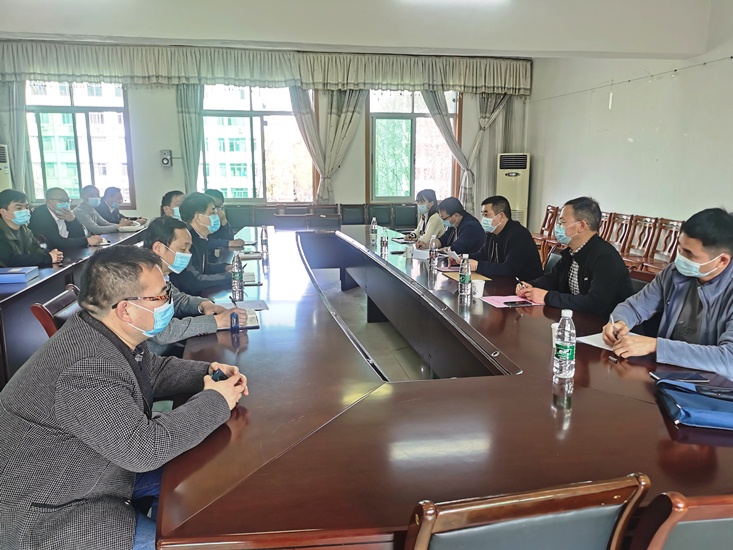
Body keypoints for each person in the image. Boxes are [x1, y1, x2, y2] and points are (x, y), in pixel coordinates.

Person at [0, 245, 248, 550]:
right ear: (126, 309)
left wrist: (207, 372)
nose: (169, 301)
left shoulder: (106, 331)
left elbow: (152, 370)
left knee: (210, 474)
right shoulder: (86, 370)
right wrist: (216, 400)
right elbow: (144, 450)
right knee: (194, 542)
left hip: (95, 466)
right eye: (160, 296)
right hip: (53, 512)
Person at [603, 208, 733, 377]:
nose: (679, 257)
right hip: (667, 374)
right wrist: (620, 321)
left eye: (689, 254)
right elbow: (635, 306)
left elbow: (728, 359)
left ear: (722, 260)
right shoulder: (673, 273)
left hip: (714, 385)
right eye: (680, 248)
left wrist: (656, 346)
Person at [143, 216, 249, 356]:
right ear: (158, 248)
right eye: (183, 248)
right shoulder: (141, 279)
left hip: (170, 350)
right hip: (154, 359)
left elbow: (177, 299)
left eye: (189, 248)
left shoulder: (160, 273)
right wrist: (217, 321)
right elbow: (163, 333)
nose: (189, 254)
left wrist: (203, 304)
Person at [516, 196, 632, 317]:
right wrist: (530, 286)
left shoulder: (606, 257)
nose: (558, 227)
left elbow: (595, 303)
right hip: (578, 318)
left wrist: (547, 297)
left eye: (562, 222)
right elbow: (552, 279)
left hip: (606, 324)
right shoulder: (572, 252)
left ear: (581, 225)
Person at [169, 192, 232, 295]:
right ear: (198, 217)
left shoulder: (200, 237)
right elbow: (194, 281)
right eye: (212, 212)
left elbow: (203, 267)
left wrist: (225, 267)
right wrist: (230, 276)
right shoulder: (186, 241)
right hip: (182, 298)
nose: (217, 216)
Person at [469, 195, 543, 281]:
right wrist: (463, 258)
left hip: (526, 285)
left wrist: (478, 266)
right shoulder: (492, 233)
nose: (483, 219)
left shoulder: (519, 235)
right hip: (501, 282)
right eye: (483, 215)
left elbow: (509, 269)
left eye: (486, 215)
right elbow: (481, 255)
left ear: (501, 216)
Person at [0, 189, 63, 267]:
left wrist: (53, 254)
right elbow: (11, 260)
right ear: (3, 212)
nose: (25, 211)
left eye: (26, 207)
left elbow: (36, 250)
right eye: (19, 208)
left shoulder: (25, 231)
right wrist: (48, 257)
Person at [29, 187, 104, 249]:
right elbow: (56, 242)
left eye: (67, 200)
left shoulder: (65, 213)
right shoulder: (40, 216)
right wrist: (87, 241)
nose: (66, 203)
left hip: (67, 253)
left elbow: (80, 236)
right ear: (49, 202)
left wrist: (73, 220)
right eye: (62, 200)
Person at [417, 197, 484, 255]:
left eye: (444, 219)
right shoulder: (454, 225)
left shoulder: (471, 226)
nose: (443, 221)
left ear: (455, 215)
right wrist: (427, 245)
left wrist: (441, 250)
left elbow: (457, 248)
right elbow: (443, 240)